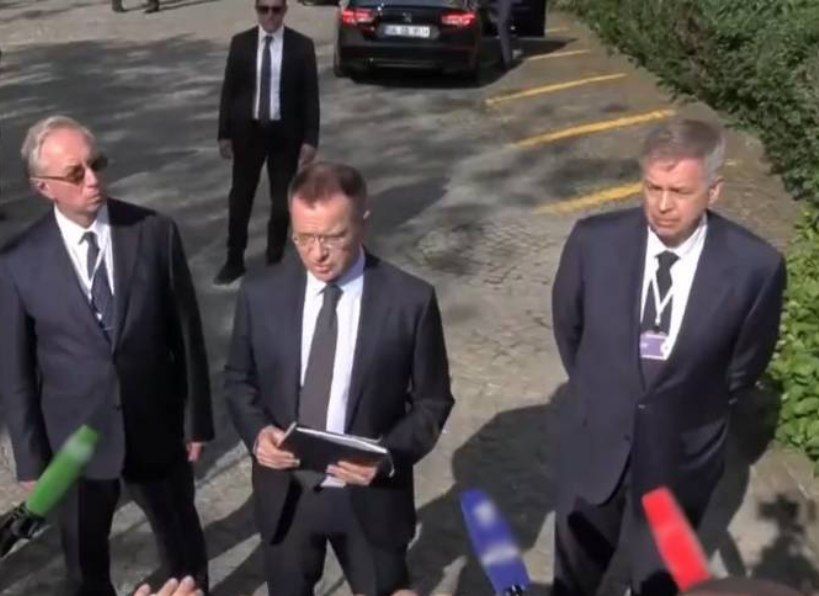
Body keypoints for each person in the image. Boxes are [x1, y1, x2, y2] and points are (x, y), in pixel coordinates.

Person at [550, 119, 786, 595]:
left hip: (681, 459)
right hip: (598, 444)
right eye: (652, 187)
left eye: (679, 192)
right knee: (573, 579)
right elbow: (570, 330)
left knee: (659, 583)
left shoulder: (755, 268)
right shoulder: (594, 242)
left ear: (713, 192)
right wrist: (608, 392)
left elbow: (744, 365)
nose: (662, 205)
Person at [0, 116, 213, 595]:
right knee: (85, 562)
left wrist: (196, 420)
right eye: (75, 173)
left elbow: (186, 334)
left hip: (154, 428)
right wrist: (32, 462)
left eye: (97, 163)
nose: (93, 179)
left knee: (182, 544)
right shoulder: (18, 263)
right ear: (43, 187)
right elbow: (15, 374)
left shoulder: (154, 232)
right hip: (74, 443)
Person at [225, 162, 454, 595]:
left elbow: (433, 402)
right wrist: (257, 436)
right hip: (287, 498)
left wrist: (387, 456)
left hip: (370, 500)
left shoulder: (410, 302)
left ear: (363, 223)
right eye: (303, 237)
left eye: (333, 237)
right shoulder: (260, 294)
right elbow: (238, 380)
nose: (318, 253)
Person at [215, 0, 320, 285]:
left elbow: (310, 95)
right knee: (240, 199)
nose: (270, 15)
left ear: (285, 10)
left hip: (285, 135)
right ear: (257, 10)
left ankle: (274, 260)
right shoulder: (241, 44)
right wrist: (224, 133)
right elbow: (229, 90)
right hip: (248, 133)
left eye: (276, 9)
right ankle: (234, 260)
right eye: (264, 9)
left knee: (281, 203)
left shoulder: (301, 46)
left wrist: (311, 138)